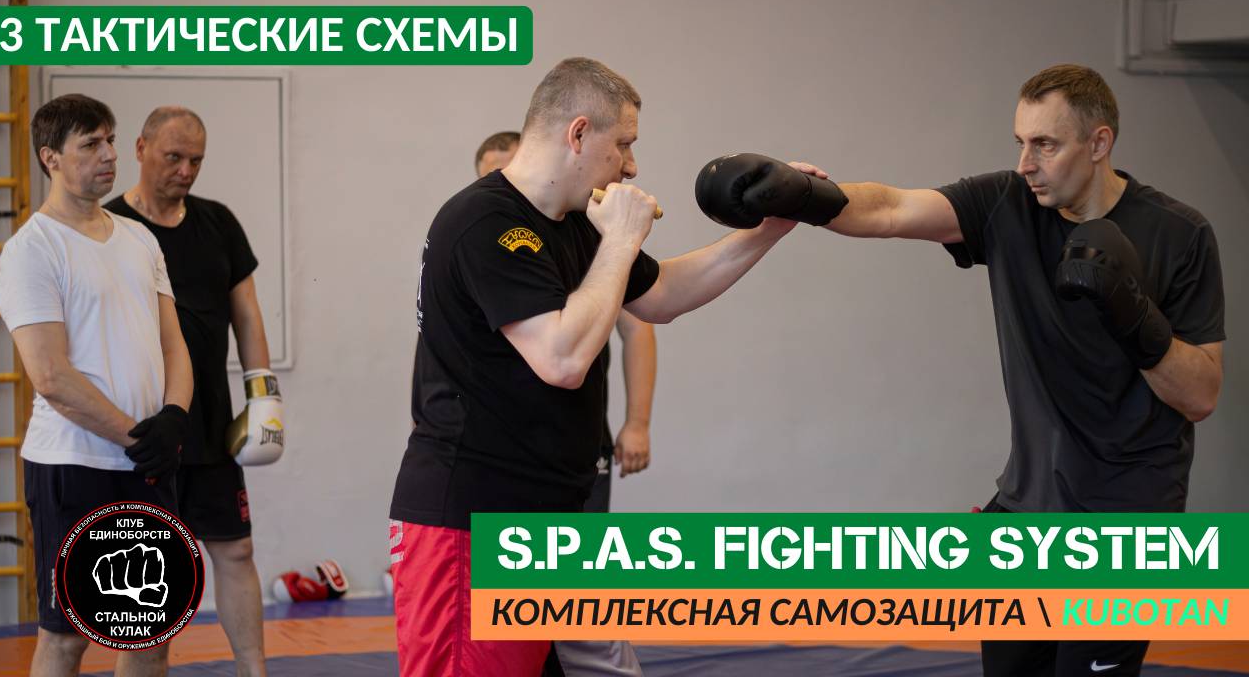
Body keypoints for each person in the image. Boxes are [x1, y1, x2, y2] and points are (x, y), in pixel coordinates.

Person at [697, 64, 1224, 677]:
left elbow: (1200, 395)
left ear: (1099, 143)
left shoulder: (1180, 233)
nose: (1026, 163)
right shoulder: (1007, 202)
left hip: (1128, 525)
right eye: (1020, 142)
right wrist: (805, 196)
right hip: (1026, 513)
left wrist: (1132, 314)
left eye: (1045, 145)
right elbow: (892, 208)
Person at [389, 57, 818, 677]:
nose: (632, 166)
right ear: (578, 133)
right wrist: (620, 238)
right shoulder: (485, 222)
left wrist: (770, 230)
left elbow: (662, 294)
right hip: (474, 519)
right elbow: (561, 358)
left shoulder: (571, 224)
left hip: (547, 517)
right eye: (624, 144)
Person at [0, 93, 193, 676]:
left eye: (110, 140)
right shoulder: (32, 250)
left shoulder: (140, 239)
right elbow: (51, 376)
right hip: (73, 465)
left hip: (148, 462)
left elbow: (174, 345)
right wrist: (139, 438)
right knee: (66, 638)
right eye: (91, 144)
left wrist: (174, 417)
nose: (109, 155)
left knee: (150, 635)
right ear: (51, 158)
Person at [105, 106, 278, 677]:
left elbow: (247, 313)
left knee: (236, 548)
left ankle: (254, 672)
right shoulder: (110, 227)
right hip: (145, 429)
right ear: (140, 149)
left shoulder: (218, 222)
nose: (185, 170)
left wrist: (264, 396)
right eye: (173, 157)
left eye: (196, 160)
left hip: (211, 422)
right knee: (149, 569)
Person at [474, 132, 656, 677]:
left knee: (577, 589)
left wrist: (637, 423)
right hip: (501, 459)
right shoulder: (483, 235)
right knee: (515, 602)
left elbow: (644, 319)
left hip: (572, 448)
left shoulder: (577, 238)